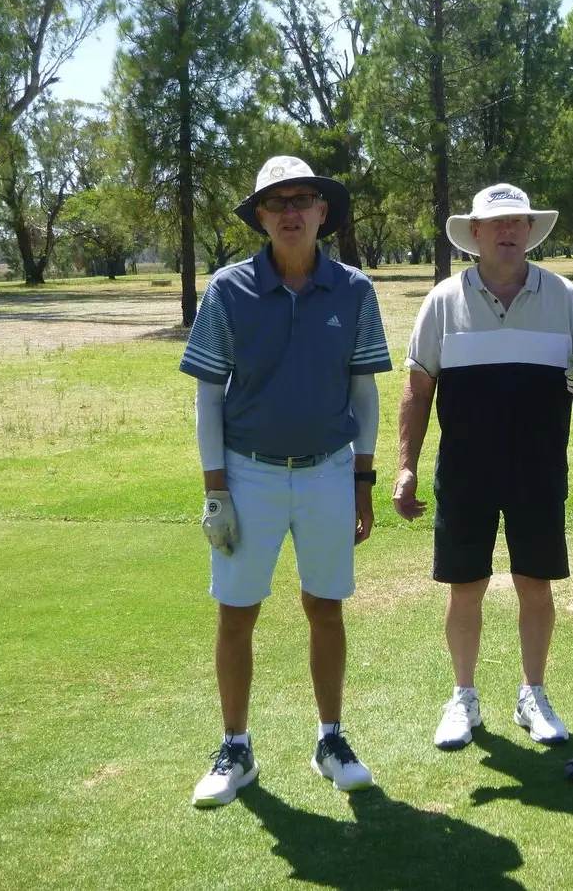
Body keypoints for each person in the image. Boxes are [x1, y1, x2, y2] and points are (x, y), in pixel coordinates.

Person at [180, 156, 392, 807]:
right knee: (236, 613)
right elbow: (208, 398)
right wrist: (216, 488)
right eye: (277, 203)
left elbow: (365, 395)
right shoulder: (228, 290)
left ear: (323, 212)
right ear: (262, 218)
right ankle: (235, 748)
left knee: (325, 608)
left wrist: (363, 482)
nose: (291, 211)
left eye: (303, 199)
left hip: (329, 471)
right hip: (249, 475)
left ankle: (330, 738)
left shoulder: (354, 290)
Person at [393, 183, 573, 751]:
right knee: (466, 587)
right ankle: (463, 696)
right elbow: (417, 388)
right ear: (477, 234)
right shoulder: (443, 300)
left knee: (535, 585)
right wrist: (406, 466)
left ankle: (532, 693)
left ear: (529, 231)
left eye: (519, 222)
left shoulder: (563, 296)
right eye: (498, 223)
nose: (510, 231)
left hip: (538, 470)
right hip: (465, 471)